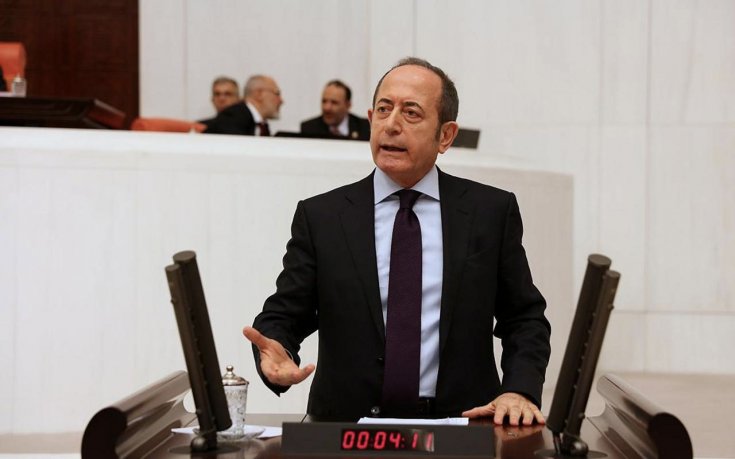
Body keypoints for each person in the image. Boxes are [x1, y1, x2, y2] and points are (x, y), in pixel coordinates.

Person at [244, 57, 550, 425]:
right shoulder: (322, 216)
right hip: (346, 429)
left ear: (446, 135)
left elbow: (524, 319)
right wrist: (276, 349)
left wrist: (518, 390)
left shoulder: (489, 212)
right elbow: (285, 314)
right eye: (384, 110)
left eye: (411, 113)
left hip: (461, 425)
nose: (391, 125)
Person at [205, 75, 282, 136]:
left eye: (228, 94)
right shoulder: (232, 117)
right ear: (259, 94)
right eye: (277, 93)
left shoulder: (259, 123)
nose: (281, 101)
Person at [300, 80, 370, 140]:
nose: (327, 108)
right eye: (324, 101)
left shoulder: (365, 128)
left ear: (348, 105)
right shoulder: (309, 128)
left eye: (334, 103)